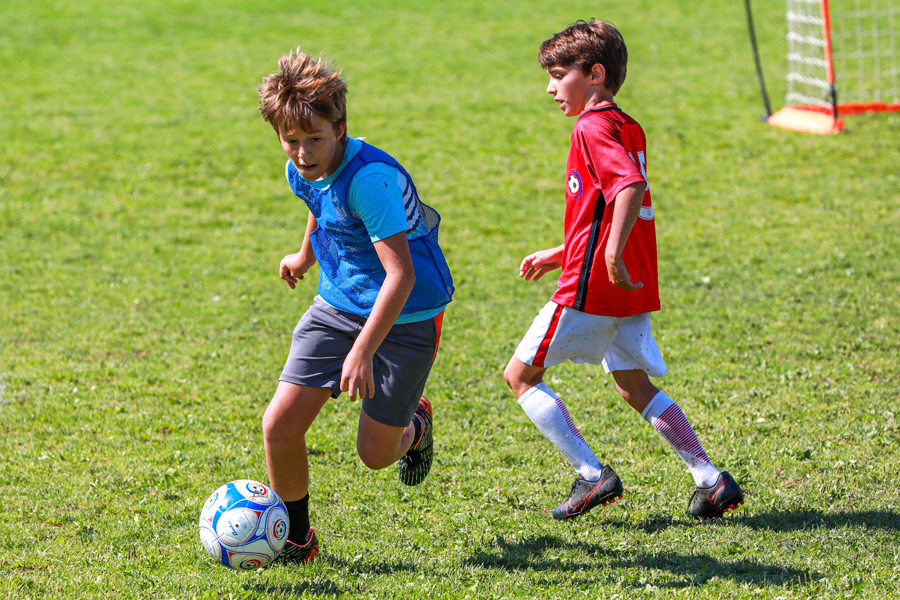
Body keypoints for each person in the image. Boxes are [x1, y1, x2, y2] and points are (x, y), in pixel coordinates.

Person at [503, 20, 743, 521]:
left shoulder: (589, 127)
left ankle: (592, 476)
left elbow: (627, 187)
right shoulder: (626, 124)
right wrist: (562, 250)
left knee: (521, 377)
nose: (549, 88)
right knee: (634, 386)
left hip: (596, 285)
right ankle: (710, 479)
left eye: (557, 75)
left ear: (595, 73)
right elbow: (606, 207)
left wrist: (606, 255)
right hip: (630, 282)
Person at [256, 49, 454, 562]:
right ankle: (298, 540)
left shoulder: (371, 180)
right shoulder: (300, 167)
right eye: (291, 140)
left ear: (340, 127)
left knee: (374, 455)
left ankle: (415, 427)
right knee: (279, 425)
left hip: (406, 313)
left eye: (315, 140)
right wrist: (304, 256)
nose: (302, 153)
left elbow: (401, 275)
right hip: (339, 303)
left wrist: (363, 351)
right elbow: (321, 205)